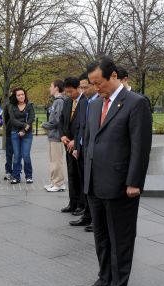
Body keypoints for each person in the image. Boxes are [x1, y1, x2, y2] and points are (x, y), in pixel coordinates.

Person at [79, 57, 152, 286]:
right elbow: (90, 142)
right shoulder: (92, 104)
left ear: (113, 77)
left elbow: (140, 147)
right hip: (94, 183)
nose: (95, 88)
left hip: (121, 184)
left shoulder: (136, 103)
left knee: (120, 238)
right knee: (101, 236)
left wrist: (134, 182)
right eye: (91, 84)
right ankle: (104, 278)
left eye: (98, 83)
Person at [71, 72, 99, 231]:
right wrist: (76, 147)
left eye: (85, 87)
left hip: (93, 150)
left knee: (94, 186)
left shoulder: (100, 102)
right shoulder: (83, 102)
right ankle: (87, 215)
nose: (83, 90)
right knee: (85, 184)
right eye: (81, 87)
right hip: (82, 148)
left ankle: (96, 219)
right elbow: (80, 126)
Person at [59, 77, 87, 216]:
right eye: (67, 92)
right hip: (67, 143)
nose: (69, 94)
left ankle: (82, 204)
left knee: (80, 174)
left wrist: (76, 140)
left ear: (78, 88)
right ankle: (73, 202)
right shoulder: (67, 102)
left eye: (71, 92)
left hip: (78, 145)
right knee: (71, 174)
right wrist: (62, 135)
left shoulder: (85, 102)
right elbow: (62, 120)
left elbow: (85, 124)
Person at [42, 80, 67, 192]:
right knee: (53, 160)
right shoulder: (57, 101)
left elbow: (57, 120)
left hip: (57, 136)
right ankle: (54, 182)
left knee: (57, 161)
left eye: (51, 86)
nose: (49, 88)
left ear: (56, 88)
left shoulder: (59, 102)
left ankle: (59, 183)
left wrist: (44, 125)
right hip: (53, 135)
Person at [8, 87, 35, 184]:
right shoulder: (12, 106)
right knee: (17, 156)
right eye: (18, 95)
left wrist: (24, 130)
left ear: (25, 95)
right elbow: (12, 120)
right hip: (15, 133)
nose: (21, 96)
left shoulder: (30, 105)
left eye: (22, 94)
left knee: (26, 155)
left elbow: (31, 118)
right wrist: (24, 125)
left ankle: (29, 176)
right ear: (15, 96)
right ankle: (16, 176)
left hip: (27, 134)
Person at [3, 100, 14, 181]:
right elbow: (6, 118)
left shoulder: (24, 104)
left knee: (18, 154)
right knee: (9, 153)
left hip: (19, 132)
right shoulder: (8, 105)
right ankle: (8, 171)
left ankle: (17, 170)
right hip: (10, 131)